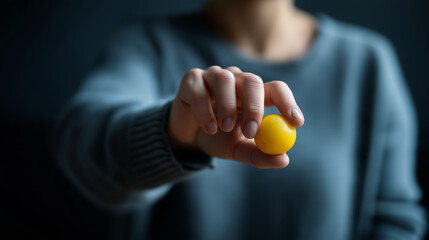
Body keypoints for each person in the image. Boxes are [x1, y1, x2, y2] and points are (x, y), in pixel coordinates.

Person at [53, 0, 427, 239]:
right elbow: (81, 145)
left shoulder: (369, 63)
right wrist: (173, 134)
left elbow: (395, 220)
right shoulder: (146, 45)